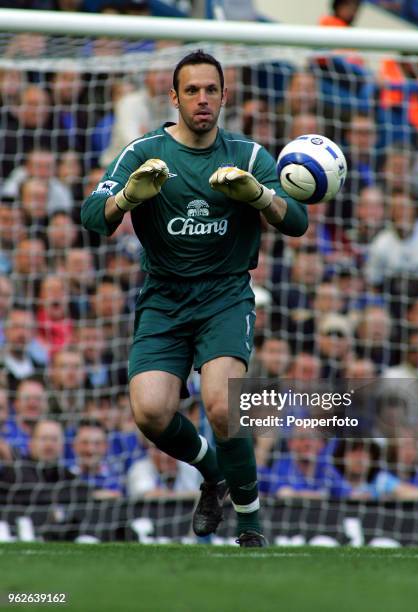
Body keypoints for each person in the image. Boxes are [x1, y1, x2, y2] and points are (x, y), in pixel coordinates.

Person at [81, 50, 308, 547]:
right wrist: (129, 197)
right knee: (150, 412)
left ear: (225, 96)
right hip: (164, 298)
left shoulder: (248, 156)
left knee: (223, 405)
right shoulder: (142, 152)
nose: (202, 99)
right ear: (174, 98)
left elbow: (296, 221)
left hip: (225, 296)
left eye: (211, 90)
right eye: (192, 91)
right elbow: (94, 216)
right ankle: (213, 474)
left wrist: (257, 196)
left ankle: (249, 522)